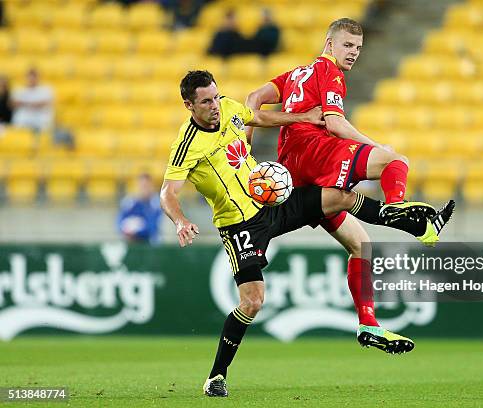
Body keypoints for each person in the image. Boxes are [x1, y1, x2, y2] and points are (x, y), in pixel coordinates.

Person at [160, 70, 444, 397]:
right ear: (189, 105)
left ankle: (410, 222)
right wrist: (180, 220)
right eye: (206, 101)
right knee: (252, 302)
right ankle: (217, 376)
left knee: (338, 196)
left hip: (272, 200)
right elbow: (168, 193)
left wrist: (302, 117)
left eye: (215, 96)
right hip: (240, 225)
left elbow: (259, 116)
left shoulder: (228, 108)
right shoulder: (186, 144)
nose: (214, 105)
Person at [246, 18, 455, 352]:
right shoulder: (329, 72)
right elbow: (336, 122)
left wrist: (247, 148)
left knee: (361, 245)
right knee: (395, 161)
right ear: (330, 43)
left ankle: (368, 324)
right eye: (347, 45)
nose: (354, 53)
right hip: (316, 154)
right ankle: (399, 208)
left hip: (292, 173)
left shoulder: (298, 73)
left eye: (358, 48)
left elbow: (253, 98)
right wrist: (377, 147)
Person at [117, 173, 163, 245]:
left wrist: (137, 231)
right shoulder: (130, 202)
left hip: (150, 243)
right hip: (131, 242)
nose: (144, 189)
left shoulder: (156, 204)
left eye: (146, 186)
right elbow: (119, 222)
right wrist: (126, 230)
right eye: (142, 186)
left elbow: (153, 227)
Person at [11, 68, 54, 133]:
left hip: (40, 118)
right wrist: (32, 104)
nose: (32, 79)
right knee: (18, 121)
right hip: (24, 118)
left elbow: (46, 102)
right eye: (30, 77)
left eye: (34, 77)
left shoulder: (46, 89)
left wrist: (25, 103)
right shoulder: (19, 90)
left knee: (44, 125)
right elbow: (13, 103)